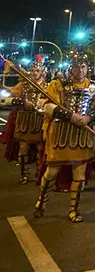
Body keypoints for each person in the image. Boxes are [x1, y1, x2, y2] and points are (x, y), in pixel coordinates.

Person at [34, 62, 95, 223]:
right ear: (71, 69)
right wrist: (70, 116)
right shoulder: (57, 85)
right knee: (52, 172)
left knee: (79, 174)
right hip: (61, 133)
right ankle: (42, 200)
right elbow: (45, 105)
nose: (80, 70)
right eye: (76, 67)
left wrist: (89, 117)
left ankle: (73, 211)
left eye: (83, 67)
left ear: (87, 68)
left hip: (82, 134)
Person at [2, 56, 46, 184]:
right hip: (24, 120)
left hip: (40, 120)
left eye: (37, 71)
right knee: (23, 149)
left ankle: (39, 173)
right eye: (32, 71)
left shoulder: (48, 86)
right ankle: (24, 174)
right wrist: (23, 101)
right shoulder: (22, 85)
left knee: (40, 149)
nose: (34, 73)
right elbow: (7, 99)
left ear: (42, 72)